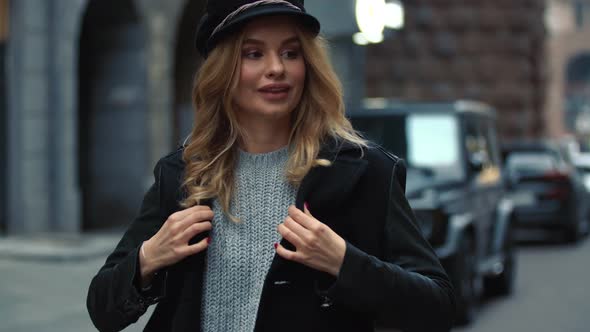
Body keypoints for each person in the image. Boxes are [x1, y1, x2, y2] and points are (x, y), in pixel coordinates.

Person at [86, 0, 456, 331]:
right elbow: (103, 310)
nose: (276, 68)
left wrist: (345, 263)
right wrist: (149, 257)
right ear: (223, 70)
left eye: (291, 53)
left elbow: (436, 308)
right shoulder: (184, 175)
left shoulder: (365, 172)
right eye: (253, 54)